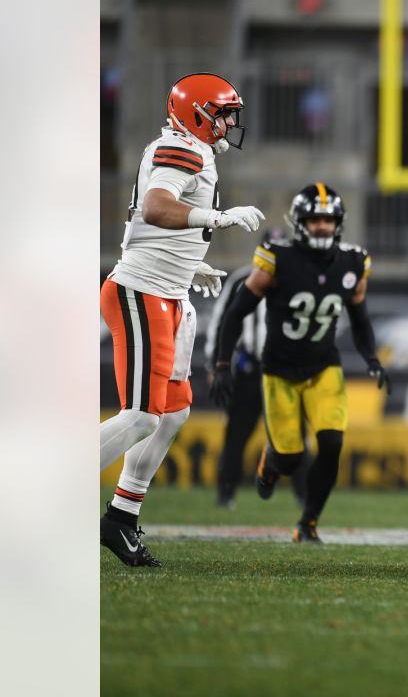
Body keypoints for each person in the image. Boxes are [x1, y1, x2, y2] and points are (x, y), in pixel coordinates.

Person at [100, 72, 263, 567]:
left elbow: (142, 225)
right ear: (197, 113)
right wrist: (216, 218)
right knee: (142, 414)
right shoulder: (182, 149)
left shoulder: (193, 151)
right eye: (223, 113)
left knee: (173, 413)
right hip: (142, 291)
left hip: (169, 292)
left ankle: (121, 519)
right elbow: (155, 208)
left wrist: (191, 264)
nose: (230, 122)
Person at [211, 183, 389, 542]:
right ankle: (273, 459)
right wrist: (222, 364)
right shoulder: (277, 259)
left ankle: (308, 523)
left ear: (338, 222)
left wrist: (371, 356)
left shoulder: (353, 262)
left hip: (324, 367)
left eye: (328, 219)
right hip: (279, 371)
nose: (322, 226)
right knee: (291, 458)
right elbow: (235, 313)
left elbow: (360, 317)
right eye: (314, 219)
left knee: (332, 444)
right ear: (300, 223)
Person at [203, 256, 309, 508]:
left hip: (284, 371)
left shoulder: (300, 278)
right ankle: (226, 493)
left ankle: (305, 496)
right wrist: (216, 363)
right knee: (236, 435)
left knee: (295, 435)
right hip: (250, 369)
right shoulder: (243, 279)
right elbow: (223, 320)